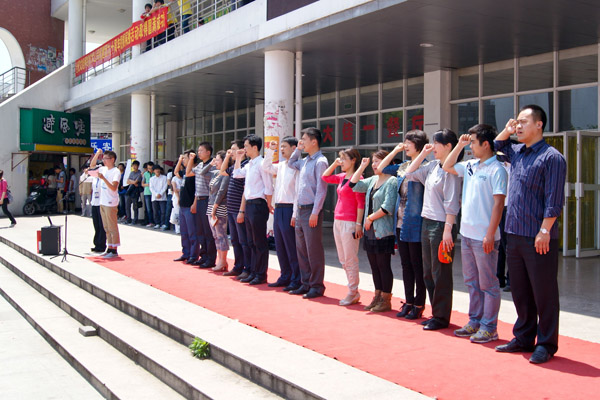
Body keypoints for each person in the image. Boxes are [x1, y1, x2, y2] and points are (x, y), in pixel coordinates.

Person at [493, 105, 566, 364]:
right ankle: (523, 337)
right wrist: (507, 129)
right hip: (514, 233)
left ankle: (546, 344)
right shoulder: (517, 152)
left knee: (544, 293)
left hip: (538, 236)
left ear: (539, 124)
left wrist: (545, 230)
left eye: (524, 121)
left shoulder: (552, 157)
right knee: (520, 290)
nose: (518, 126)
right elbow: (497, 144)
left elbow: (554, 200)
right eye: (517, 122)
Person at [443, 124, 508, 343]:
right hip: (467, 235)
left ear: (486, 144)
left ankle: (489, 327)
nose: (470, 146)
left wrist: (490, 234)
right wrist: (460, 145)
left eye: (472, 142)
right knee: (471, 281)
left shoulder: (497, 169)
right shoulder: (470, 165)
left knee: (488, 284)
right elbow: (447, 165)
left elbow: (499, 204)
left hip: (484, 237)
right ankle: (475, 321)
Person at [405, 129, 463, 331]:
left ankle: (441, 316)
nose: (434, 147)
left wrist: (448, 230)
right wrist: (423, 153)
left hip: (441, 225)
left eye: (437, 143)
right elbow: (409, 173)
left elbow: (452, 203)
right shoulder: (432, 166)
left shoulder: (451, 171)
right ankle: (436, 313)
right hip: (427, 222)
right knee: (428, 272)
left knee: (441, 273)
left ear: (448, 146)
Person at [375, 130, 428, 320]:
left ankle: (419, 303)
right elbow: (382, 167)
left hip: (415, 222)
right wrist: (395, 151)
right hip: (400, 222)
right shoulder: (403, 166)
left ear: (418, 144)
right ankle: (409, 301)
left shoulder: (426, 166)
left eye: (408, 142)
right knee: (406, 265)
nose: (405, 145)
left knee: (417, 266)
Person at [350, 152, 398, 312]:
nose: (374, 164)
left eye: (378, 161)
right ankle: (377, 296)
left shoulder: (391, 181)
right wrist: (362, 166)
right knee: (374, 266)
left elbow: (388, 206)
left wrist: (370, 218)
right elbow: (353, 185)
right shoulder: (372, 180)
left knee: (383, 265)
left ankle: (386, 299)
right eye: (374, 162)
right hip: (370, 231)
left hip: (382, 230)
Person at [288, 127, 329, 299]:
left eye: (304, 139)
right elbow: (291, 163)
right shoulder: (304, 161)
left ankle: (316, 286)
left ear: (314, 141)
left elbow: (321, 189)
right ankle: (305, 284)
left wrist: (315, 212)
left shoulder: (321, 162)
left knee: (314, 250)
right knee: (302, 250)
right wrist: (297, 150)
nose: (301, 142)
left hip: (311, 210)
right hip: (300, 210)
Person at [322, 148, 365, 306]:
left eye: (344, 159)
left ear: (353, 160)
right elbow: (325, 177)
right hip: (338, 220)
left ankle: (352, 291)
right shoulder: (341, 177)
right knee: (342, 259)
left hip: (350, 222)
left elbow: (361, 203)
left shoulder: (358, 178)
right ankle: (353, 290)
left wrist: (358, 224)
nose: (341, 162)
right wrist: (334, 163)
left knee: (350, 258)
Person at [232, 135, 273, 285]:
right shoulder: (249, 164)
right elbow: (236, 174)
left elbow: (268, 186)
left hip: (258, 204)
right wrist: (238, 158)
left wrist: (269, 204)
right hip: (249, 204)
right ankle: (254, 271)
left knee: (259, 241)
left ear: (255, 147)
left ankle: (261, 274)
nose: (244, 149)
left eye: (246, 146)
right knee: (251, 241)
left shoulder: (262, 163)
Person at [262, 137, 301, 291]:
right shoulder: (281, 166)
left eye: (284, 146)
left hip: (290, 208)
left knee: (291, 245)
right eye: (281, 147)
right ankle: (285, 276)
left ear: (294, 148)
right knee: (280, 245)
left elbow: (297, 192)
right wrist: (271, 150)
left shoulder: (297, 167)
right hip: (278, 208)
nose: (282, 149)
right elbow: (266, 166)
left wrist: (294, 214)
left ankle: (296, 279)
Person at [221, 140, 251, 279]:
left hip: (239, 209)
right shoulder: (235, 166)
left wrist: (241, 210)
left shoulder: (246, 166)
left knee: (243, 241)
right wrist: (227, 156)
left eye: (234, 149)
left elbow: (245, 190)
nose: (231, 152)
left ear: (242, 151)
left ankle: (247, 268)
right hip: (231, 208)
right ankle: (238, 267)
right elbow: (222, 171)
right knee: (235, 240)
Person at [199, 150, 230, 271]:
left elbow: (221, 192)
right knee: (215, 235)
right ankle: (220, 260)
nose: (216, 162)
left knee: (221, 235)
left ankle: (223, 261)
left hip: (219, 206)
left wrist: (215, 208)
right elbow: (202, 173)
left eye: (218, 160)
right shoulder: (215, 172)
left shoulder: (225, 174)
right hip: (211, 205)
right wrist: (211, 164)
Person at [90, 149, 122, 259]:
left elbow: (113, 187)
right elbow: (92, 166)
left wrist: (103, 178)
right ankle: (109, 247)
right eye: (103, 159)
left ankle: (114, 249)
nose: (103, 161)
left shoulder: (116, 171)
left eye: (106, 159)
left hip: (110, 202)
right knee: (106, 227)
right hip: (102, 202)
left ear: (112, 159)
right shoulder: (103, 169)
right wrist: (97, 154)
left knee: (112, 226)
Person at [192, 142, 217, 268]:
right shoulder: (199, 165)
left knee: (208, 231)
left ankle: (211, 259)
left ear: (208, 152)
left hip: (208, 199)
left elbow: (203, 174)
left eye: (201, 150)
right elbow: (188, 172)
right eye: (198, 150)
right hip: (199, 199)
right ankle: (203, 256)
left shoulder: (213, 166)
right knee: (200, 230)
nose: (199, 153)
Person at [173, 150, 199, 263]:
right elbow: (176, 172)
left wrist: (195, 203)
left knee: (192, 232)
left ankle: (193, 255)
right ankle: (186, 253)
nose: (184, 160)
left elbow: (198, 189)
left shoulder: (195, 171)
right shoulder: (184, 171)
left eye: (185, 158)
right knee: (184, 232)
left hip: (190, 205)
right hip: (183, 205)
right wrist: (179, 160)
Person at [90, 167, 106, 253]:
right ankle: (96, 244)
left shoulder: (103, 179)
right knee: (96, 225)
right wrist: (86, 172)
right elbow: (83, 178)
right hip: (94, 203)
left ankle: (102, 244)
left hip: (101, 203)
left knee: (101, 225)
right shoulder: (94, 179)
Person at [149, 165, 169, 230]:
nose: (157, 170)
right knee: (155, 211)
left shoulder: (164, 178)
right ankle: (157, 223)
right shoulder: (151, 179)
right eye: (156, 169)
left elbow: (165, 186)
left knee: (163, 211)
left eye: (158, 169)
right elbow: (151, 188)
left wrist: (160, 193)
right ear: (153, 171)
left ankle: (162, 223)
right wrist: (156, 194)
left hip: (162, 197)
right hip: (154, 197)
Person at [125, 160, 143, 225]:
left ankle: (135, 220)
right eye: (133, 165)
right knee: (127, 206)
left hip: (135, 191)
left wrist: (131, 181)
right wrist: (133, 182)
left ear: (138, 166)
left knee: (135, 207)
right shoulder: (131, 173)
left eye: (135, 165)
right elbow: (127, 181)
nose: (134, 167)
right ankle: (128, 219)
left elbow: (136, 182)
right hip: (129, 191)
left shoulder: (140, 173)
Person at [170, 169, 183, 234]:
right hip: (176, 197)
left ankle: (182, 228)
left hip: (183, 196)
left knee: (182, 213)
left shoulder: (183, 178)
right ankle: (177, 229)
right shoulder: (174, 178)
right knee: (177, 212)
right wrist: (178, 198)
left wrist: (179, 189)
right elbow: (175, 189)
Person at [142, 162, 155, 226]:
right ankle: (150, 221)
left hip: (154, 193)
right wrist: (149, 184)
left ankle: (156, 221)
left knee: (154, 208)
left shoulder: (155, 173)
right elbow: (142, 184)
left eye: (151, 168)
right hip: (147, 192)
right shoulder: (145, 174)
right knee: (148, 208)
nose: (150, 169)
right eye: (148, 168)